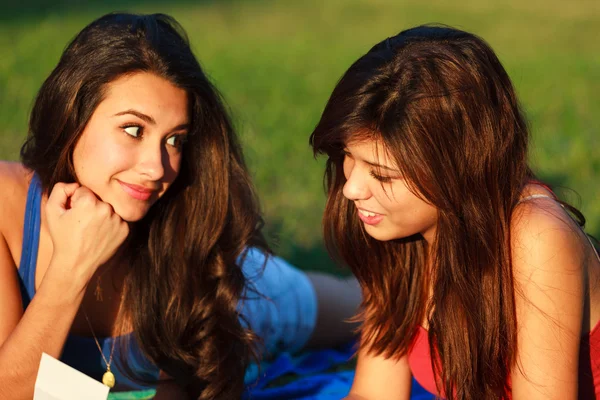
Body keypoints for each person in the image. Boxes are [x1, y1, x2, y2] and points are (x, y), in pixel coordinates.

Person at [0, 13, 359, 400]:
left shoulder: (190, 237)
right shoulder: (6, 207)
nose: (157, 167)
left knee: (367, 308)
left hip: (237, 299)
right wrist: (71, 268)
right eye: (133, 129)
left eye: (175, 140)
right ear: (73, 114)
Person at [310, 25, 600, 400]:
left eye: (382, 174)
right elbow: (374, 394)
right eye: (349, 157)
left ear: (456, 170)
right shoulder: (394, 228)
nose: (351, 189)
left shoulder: (537, 238)